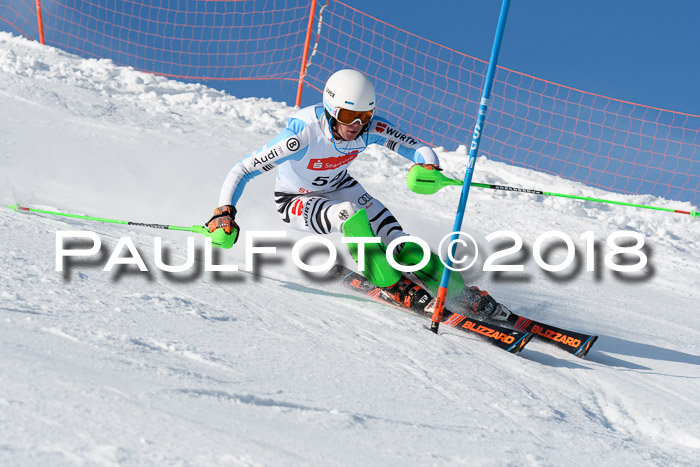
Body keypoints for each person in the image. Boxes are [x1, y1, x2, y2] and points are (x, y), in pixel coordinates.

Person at [206, 68, 467, 312]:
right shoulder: (301, 136)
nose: (355, 125)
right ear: (331, 111)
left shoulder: (369, 129)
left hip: (339, 186)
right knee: (347, 213)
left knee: (394, 237)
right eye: (346, 116)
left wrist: (429, 166)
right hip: (296, 200)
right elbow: (243, 169)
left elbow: (416, 147)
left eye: (364, 117)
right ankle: (389, 283)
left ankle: (457, 289)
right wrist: (224, 211)